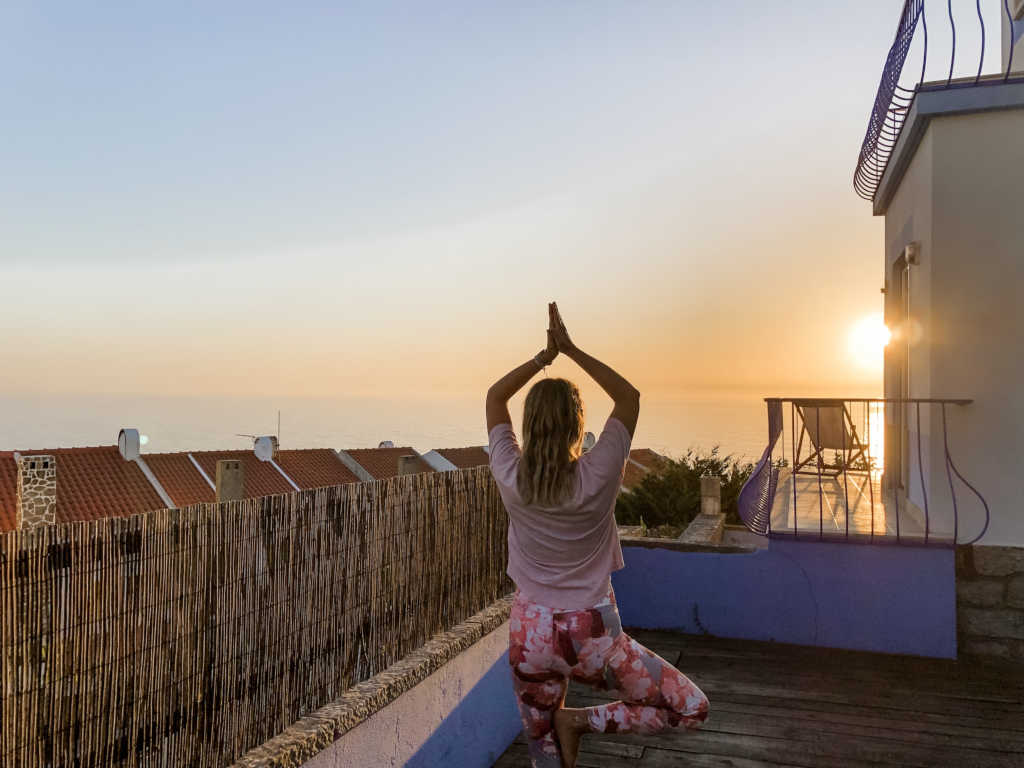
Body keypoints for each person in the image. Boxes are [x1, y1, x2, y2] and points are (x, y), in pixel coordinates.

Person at [485, 302, 709, 768]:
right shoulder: (600, 472)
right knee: (690, 708)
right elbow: (628, 397)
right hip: (593, 637)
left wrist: (541, 360)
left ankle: (561, 732)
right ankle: (582, 722)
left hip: (530, 636)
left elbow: (493, 398)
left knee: (542, 753)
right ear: (577, 424)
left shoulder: (509, 473)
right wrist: (570, 350)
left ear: (529, 425)